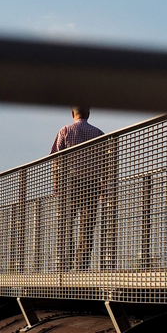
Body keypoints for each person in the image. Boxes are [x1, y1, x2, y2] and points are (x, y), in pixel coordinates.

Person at [52, 107, 105, 270]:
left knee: (66, 222)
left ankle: (64, 262)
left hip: (71, 183)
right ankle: (82, 264)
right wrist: (103, 186)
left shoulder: (65, 130)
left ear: (72, 114)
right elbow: (105, 161)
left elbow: (56, 158)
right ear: (88, 114)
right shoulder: (99, 133)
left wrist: (56, 183)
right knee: (88, 225)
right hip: (92, 183)